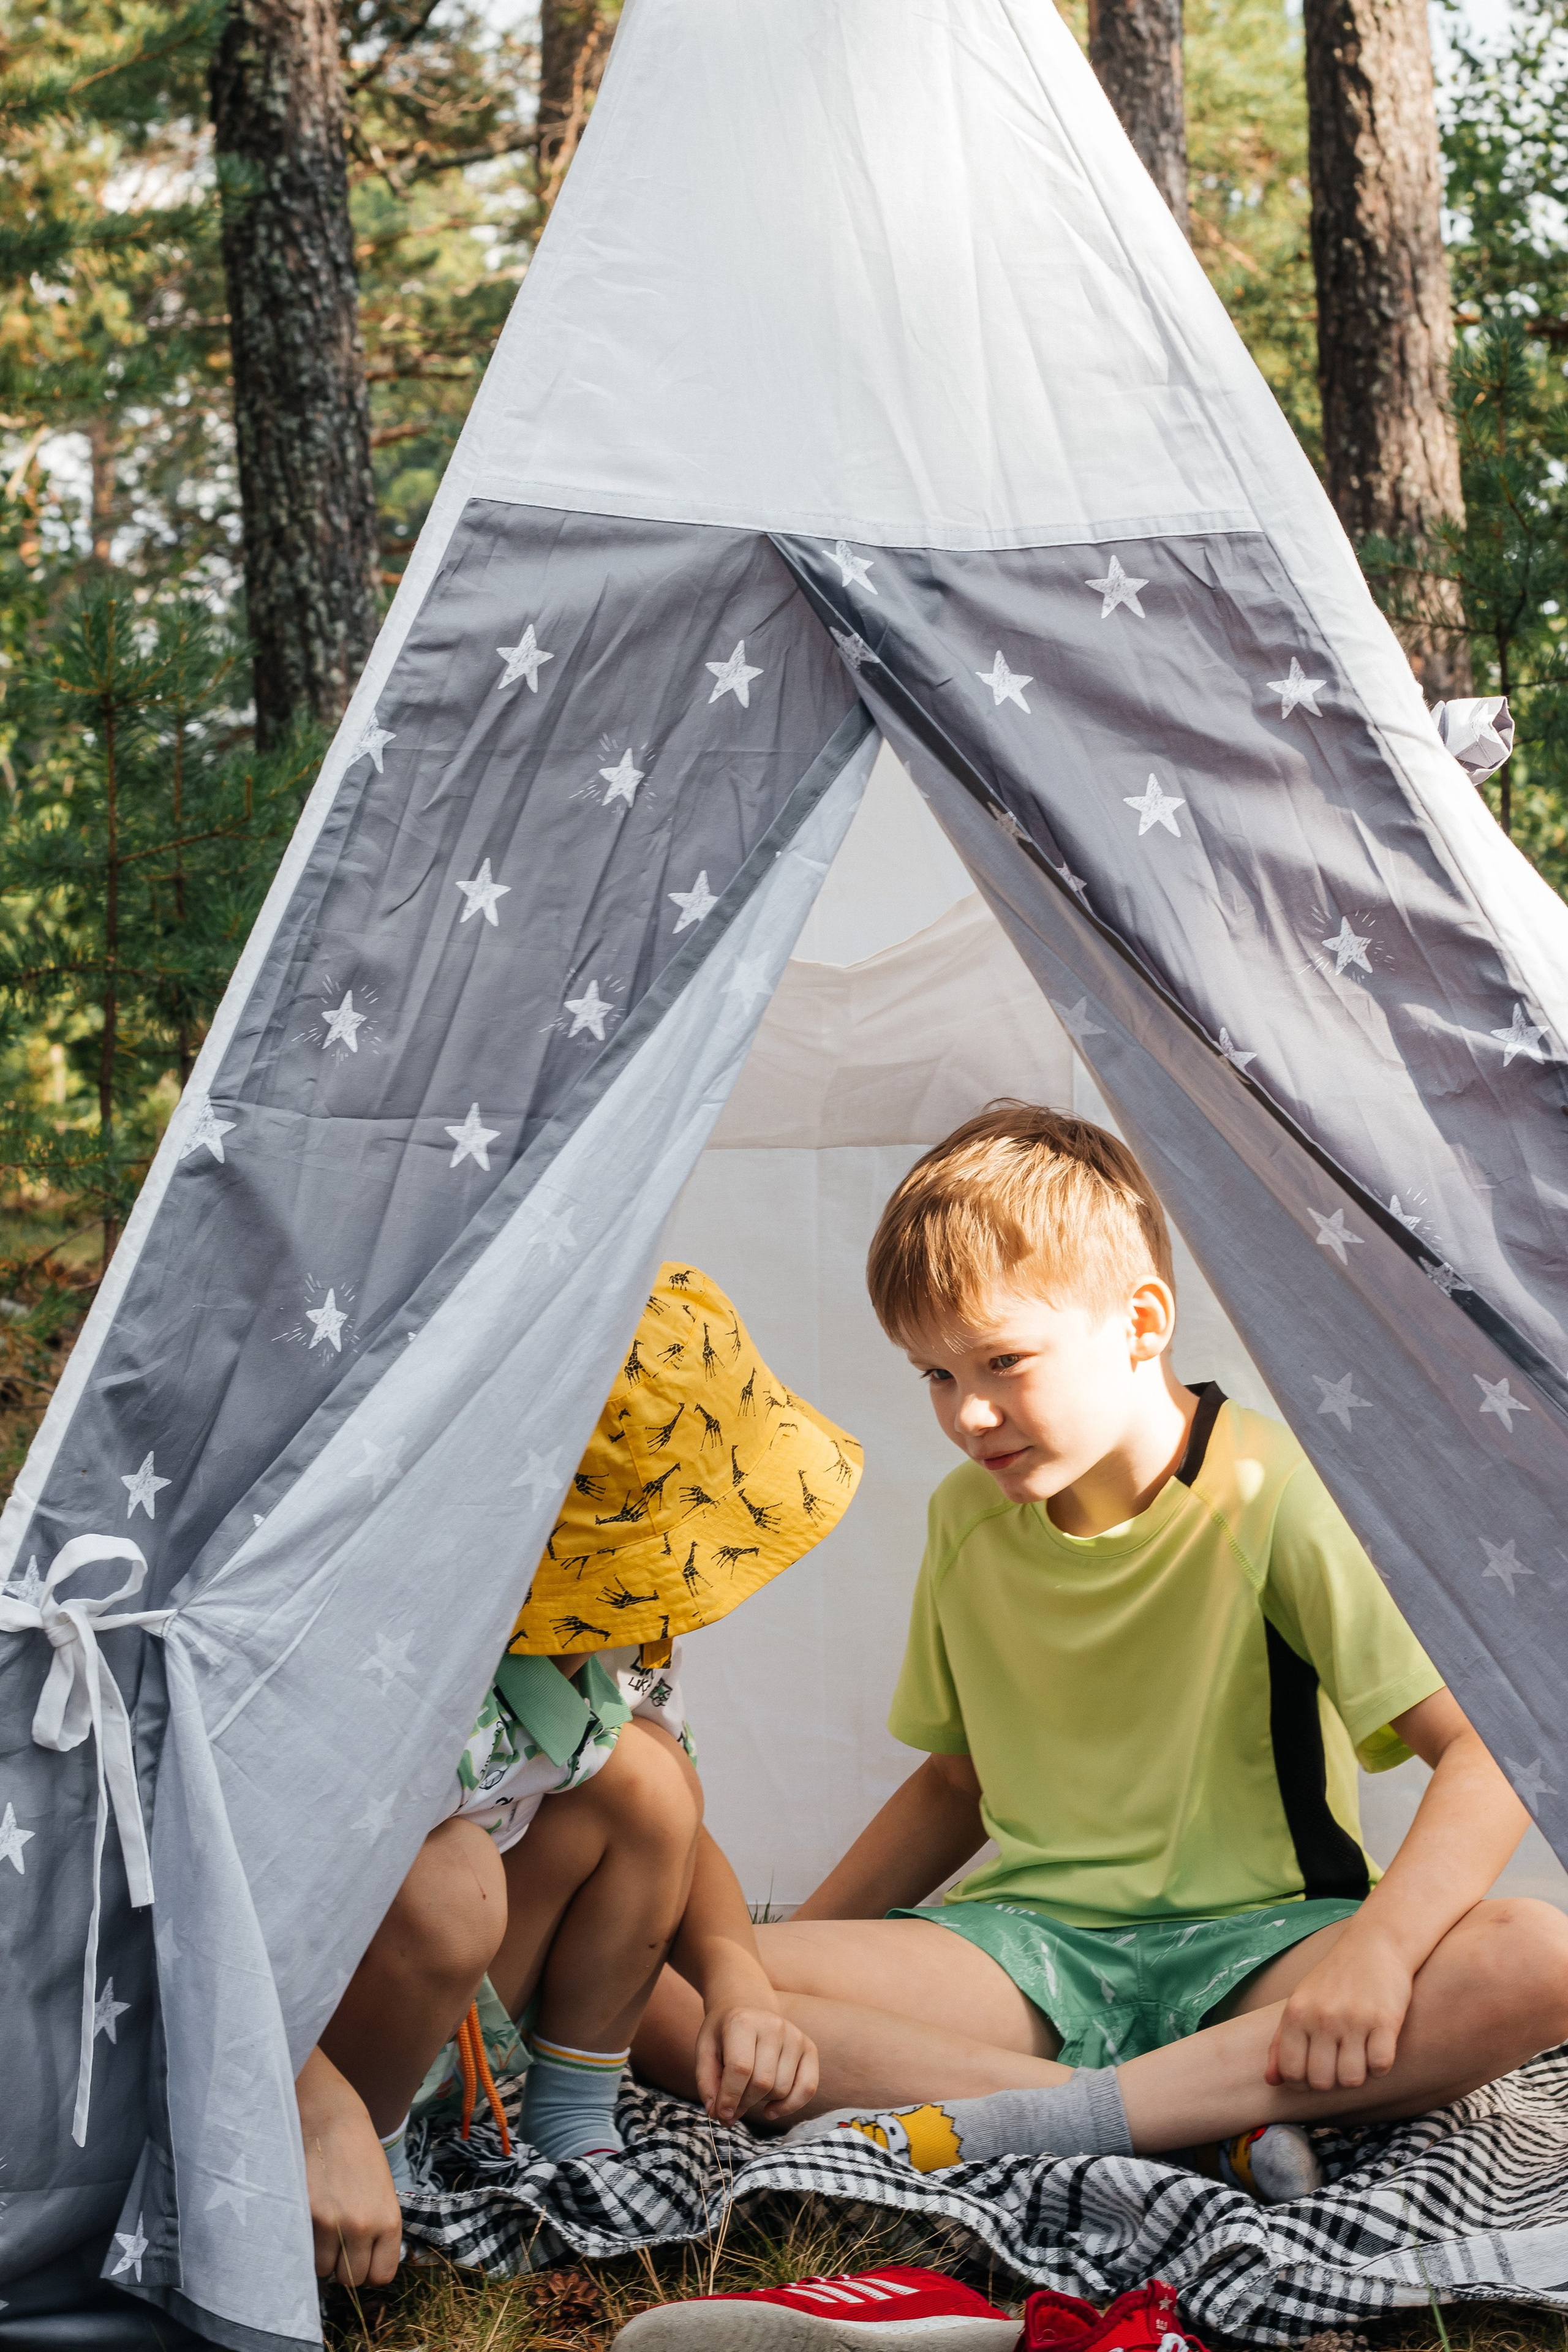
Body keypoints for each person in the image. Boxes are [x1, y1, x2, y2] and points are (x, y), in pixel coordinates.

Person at [634, 1106, 1568, 2192]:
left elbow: (1491, 1751)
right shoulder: (965, 1521)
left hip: (1267, 1950)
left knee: (1536, 1958)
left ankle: (1043, 2113)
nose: (970, 1415)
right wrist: (752, 1975)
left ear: (1141, 1321)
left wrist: (1380, 1952)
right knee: (654, 1971)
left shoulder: (1270, 1490)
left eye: (1002, 1361)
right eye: (935, 1376)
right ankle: (1176, 2126)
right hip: (1029, 1956)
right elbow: (955, 1783)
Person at [297, 1264, 857, 2286]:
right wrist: (309, 2099)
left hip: (478, 2029)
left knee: (648, 1778)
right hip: (327, 2034)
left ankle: (569, 2124)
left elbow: (679, 1816)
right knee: (448, 1874)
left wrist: (738, 1976)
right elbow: (229, 1911)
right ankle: (368, 2179)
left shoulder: (623, 1638)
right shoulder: (394, 1677)